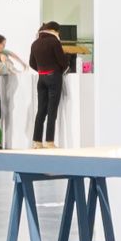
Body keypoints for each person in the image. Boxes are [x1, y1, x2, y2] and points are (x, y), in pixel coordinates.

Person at [25, 18, 74, 146]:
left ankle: (37, 141)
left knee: (41, 111)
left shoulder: (35, 43)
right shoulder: (54, 42)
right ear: (54, 30)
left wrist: (42, 70)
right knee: (52, 110)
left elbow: (31, 63)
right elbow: (62, 61)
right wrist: (62, 67)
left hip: (41, 78)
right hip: (54, 78)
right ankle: (49, 141)